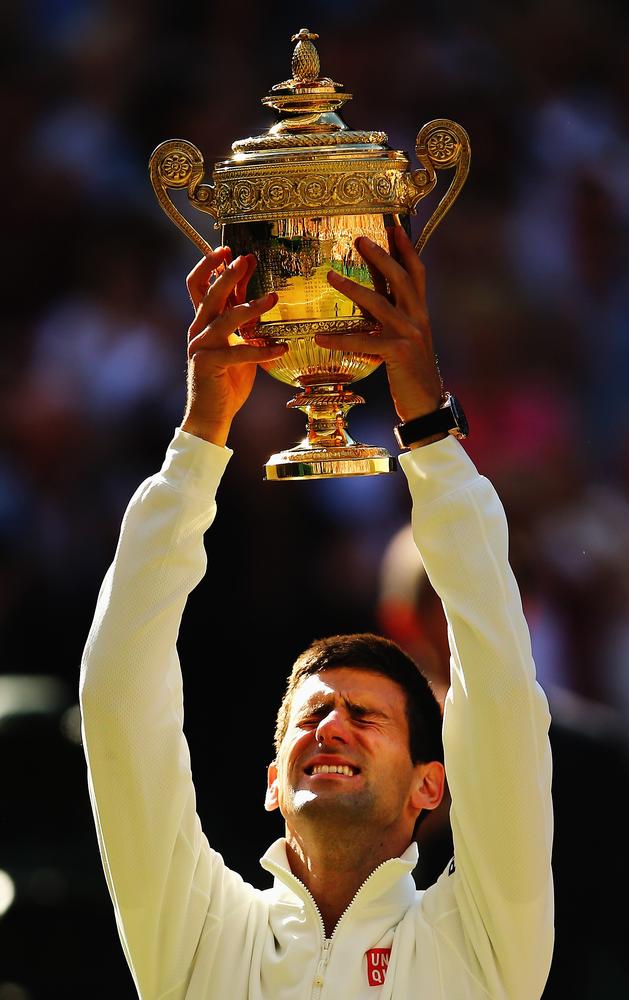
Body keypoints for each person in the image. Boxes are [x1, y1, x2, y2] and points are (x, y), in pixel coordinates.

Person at [80, 227, 554, 999]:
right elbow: (116, 698)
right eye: (311, 716)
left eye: (366, 716)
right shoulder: (200, 936)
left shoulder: (485, 942)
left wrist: (431, 432)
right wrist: (199, 438)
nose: (330, 726)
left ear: (430, 786)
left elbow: (500, 692)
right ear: (273, 781)